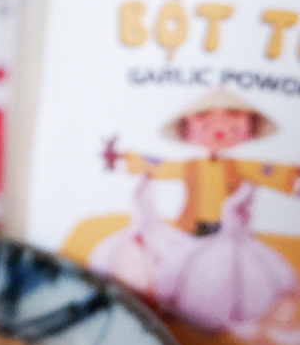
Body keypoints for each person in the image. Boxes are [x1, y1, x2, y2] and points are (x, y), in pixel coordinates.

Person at [111, 87, 299, 235]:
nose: (219, 133)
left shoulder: (238, 166)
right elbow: (164, 167)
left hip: (230, 229)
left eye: (234, 129)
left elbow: (266, 171)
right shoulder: (191, 166)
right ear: (186, 129)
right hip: (194, 225)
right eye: (205, 126)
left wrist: (292, 178)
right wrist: (130, 160)